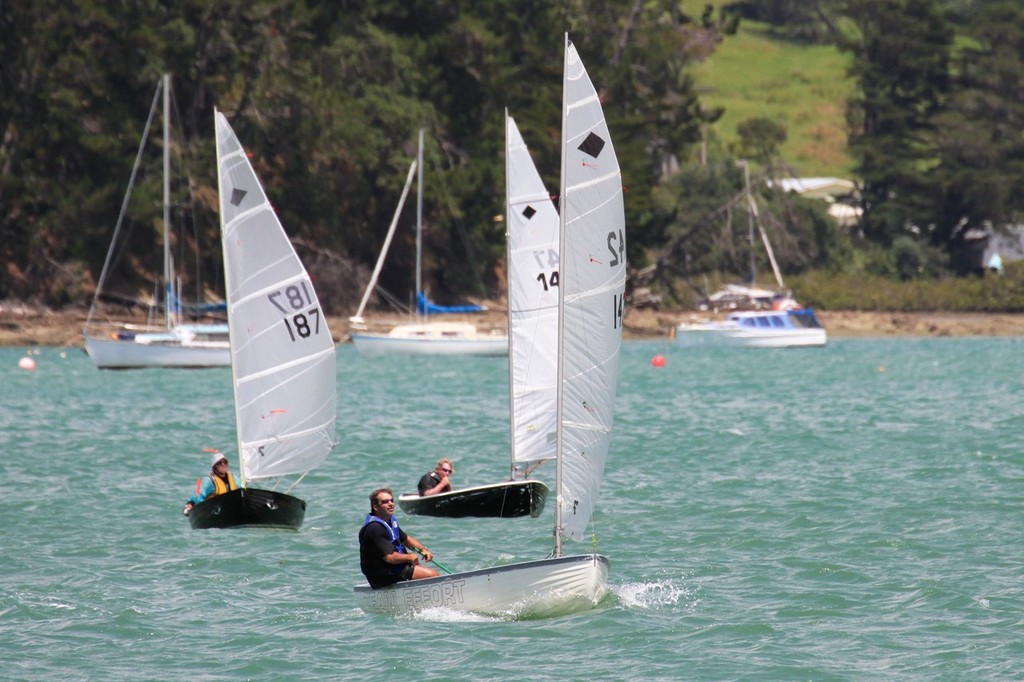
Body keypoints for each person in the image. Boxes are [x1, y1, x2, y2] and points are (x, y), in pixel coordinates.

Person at [359, 487, 440, 589]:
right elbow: (390, 557)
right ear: (375, 506)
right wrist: (409, 557)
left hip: (395, 569)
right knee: (433, 575)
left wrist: (423, 550)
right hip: (383, 576)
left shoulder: (390, 521)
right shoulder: (374, 528)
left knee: (423, 571)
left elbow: (406, 539)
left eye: (392, 500)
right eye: (385, 502)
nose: (390, 504)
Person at [182, 450, 238, 515]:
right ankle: (189, 505)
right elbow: (199, 497)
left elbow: (241, 492)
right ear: (215, 467)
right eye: (219, 463)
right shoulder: (209, 481)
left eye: (225, 462)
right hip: (215, 511)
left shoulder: (234, 478)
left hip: (231, 508)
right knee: (196, 498)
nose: (223, 464)